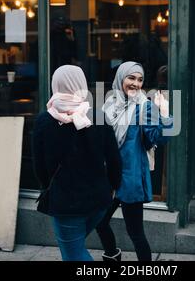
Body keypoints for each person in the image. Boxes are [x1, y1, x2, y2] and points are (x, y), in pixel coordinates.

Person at [32, 65, 122, 261]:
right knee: (76, 248)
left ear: (55, 84)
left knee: (74, 255)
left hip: (66, 204)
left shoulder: (44, 121)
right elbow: (114, 159)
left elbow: (39, 166)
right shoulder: (98, 116)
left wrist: (47, 187)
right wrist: (114, 186)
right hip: (100, 201)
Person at [95, 61, 173, 261]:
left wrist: (164, 114)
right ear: (121, 78)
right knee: (100, 221)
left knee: (135, 233)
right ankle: (112, 255)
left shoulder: (144, 107)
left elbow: (158, 138)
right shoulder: (109, 104)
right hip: (110, 178)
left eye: (140, 79)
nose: (136, 83)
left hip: (130, 179)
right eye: (131, 77)